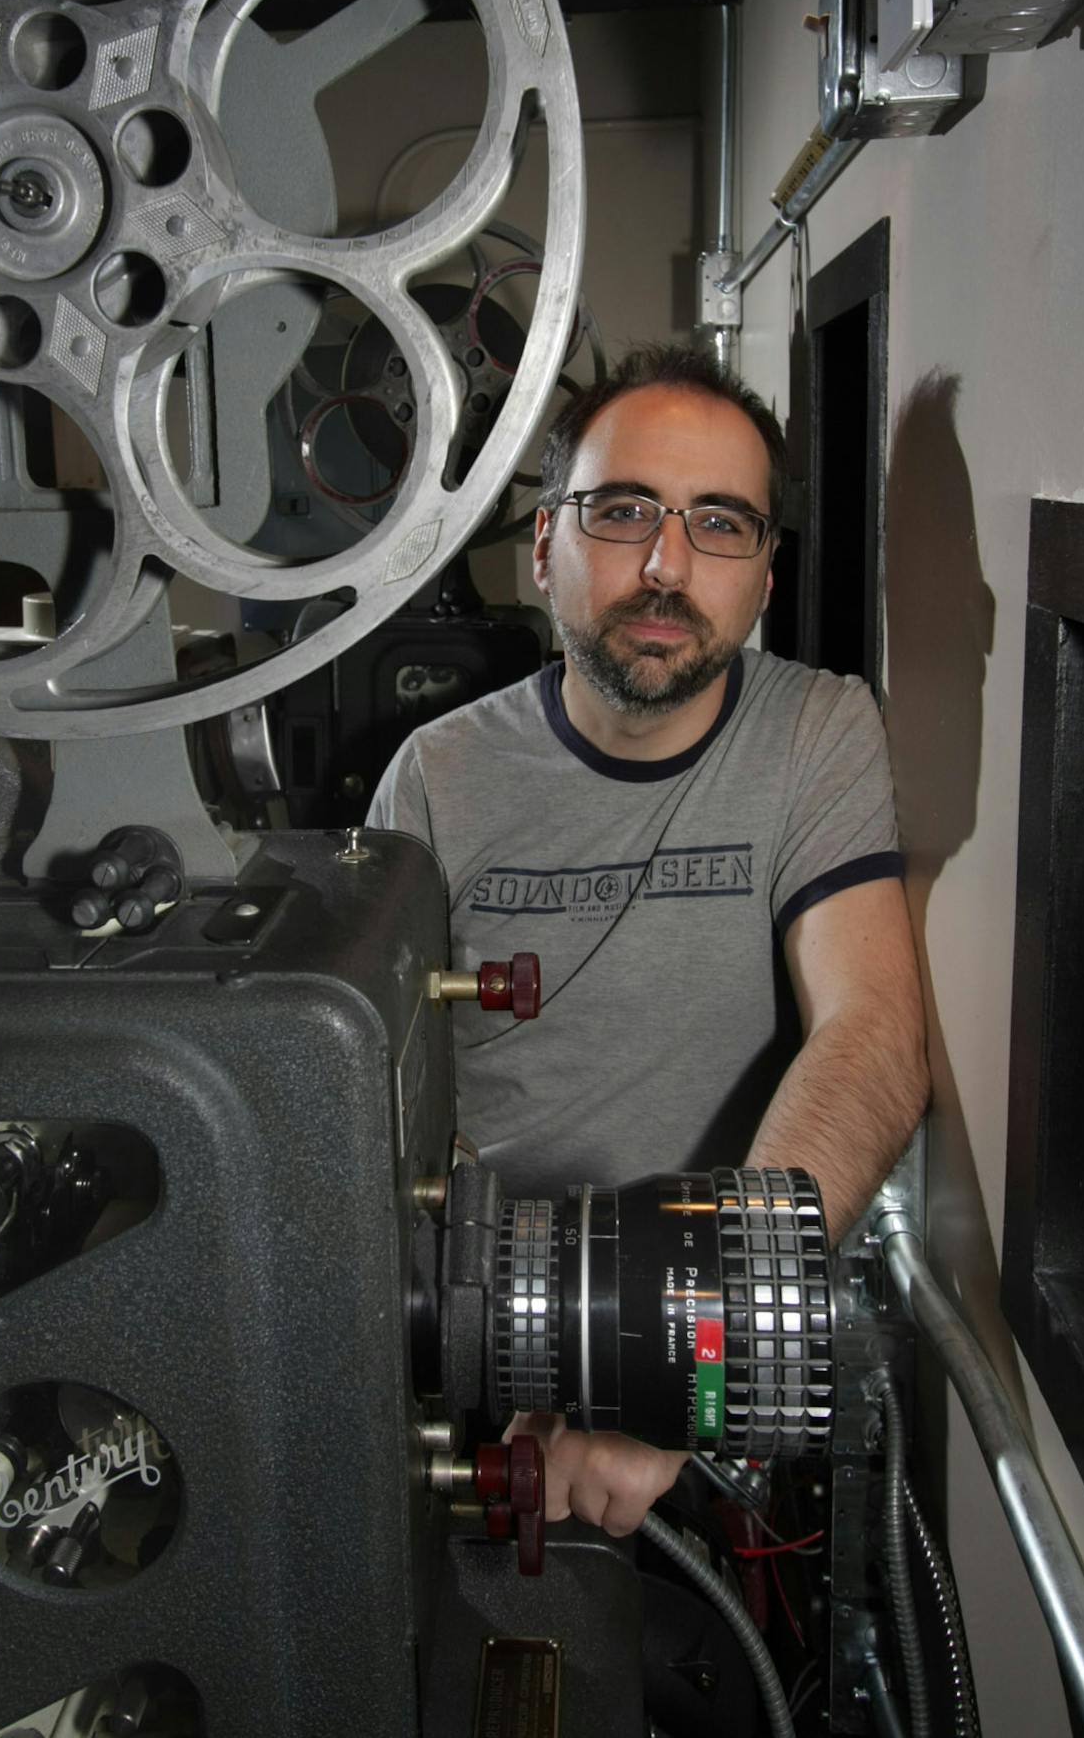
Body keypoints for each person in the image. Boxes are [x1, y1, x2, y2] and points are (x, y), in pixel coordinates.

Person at [368, 343, 928, 1535]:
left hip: (711, 1363)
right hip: (478, 1344)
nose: (667, 566)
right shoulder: (435, 776)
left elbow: (873, 1034)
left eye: (721, 524)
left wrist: (675, 1366)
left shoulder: (817, 734)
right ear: (542, 545)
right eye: (624, 511)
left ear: (766, 575)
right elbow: (372, 1103)